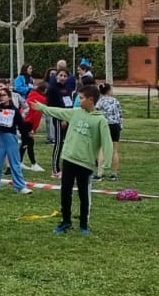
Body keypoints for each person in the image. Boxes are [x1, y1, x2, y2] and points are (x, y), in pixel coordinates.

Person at [33, 84, 113, 235]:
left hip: (85, 163)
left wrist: (106, 163)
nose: (78, 100)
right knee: (65, 192)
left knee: (83, 194)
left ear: (91, 100)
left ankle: (83, 224)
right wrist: (42, 107)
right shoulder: (75, 112)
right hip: (69, 159)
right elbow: (58, 111)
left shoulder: (100, 120)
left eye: (81, 98)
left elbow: (107, 142)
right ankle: (66, 221)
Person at [0, 83, 31, 195]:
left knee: (15, 164)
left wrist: (26, 139)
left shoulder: (15, 110)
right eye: (0, 95)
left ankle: (20, 186)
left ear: (9, 97)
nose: (1, 97)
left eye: (4, 95)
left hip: (11, 138)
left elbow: (21, 125)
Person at [95, 82, 123, 179]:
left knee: (102, 149)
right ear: (109, 90)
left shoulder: (99, 101)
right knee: (114, 150)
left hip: (105, 126)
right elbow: (120, 114)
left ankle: (99, 173)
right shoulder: (115, 101)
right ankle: (114, 174)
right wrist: (120, 126)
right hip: (115, 125)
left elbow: (96, 113)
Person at [21, 79, 46, 171]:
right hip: (28, 123)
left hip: (24, 121)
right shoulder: (41, 99)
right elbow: (36, 116)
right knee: (28, 143)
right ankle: (33, 163)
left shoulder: (32, 95)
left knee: (26, 142)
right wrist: (33, 129)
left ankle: (21, 161)